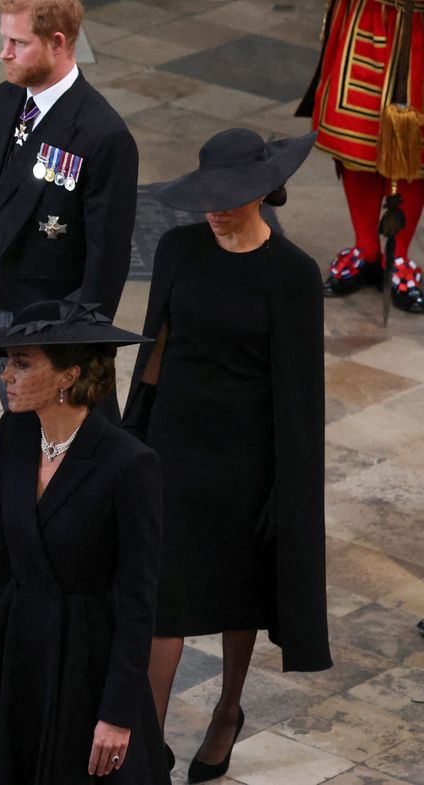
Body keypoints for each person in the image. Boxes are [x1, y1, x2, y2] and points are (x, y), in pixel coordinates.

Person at [124, 128, 333, 783]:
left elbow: (297, 394)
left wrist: (285, 488)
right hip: (173, 448)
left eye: (229, 197)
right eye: (206, 196)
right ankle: (145, 749)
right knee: (164, 601)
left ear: (263, 193)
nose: (213, 209)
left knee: (238, 596)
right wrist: (133, 447)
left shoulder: (293, 276)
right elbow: (154, 353)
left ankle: (228, 710)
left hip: (244, 461)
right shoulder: (178, 247)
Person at [0, 296, 169, 785]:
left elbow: (139, 602)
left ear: (69, 375)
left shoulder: (129, 465)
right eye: (7, 362)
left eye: (22, 363)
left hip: (86, 659)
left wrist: (117, 713)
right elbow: (5, 560)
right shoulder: (15, 434)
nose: (5, 375)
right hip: (19, 646)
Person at [0, 0, 138, 411]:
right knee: (15, 430)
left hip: (52, 328)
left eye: (18, 42)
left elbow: (107, 260)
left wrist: (79, 348)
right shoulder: (5, 101)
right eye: (4, 39)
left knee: (63, 443)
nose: (4, 52)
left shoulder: (103, 135)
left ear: (57, 43)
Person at [299, 0, 424, 313]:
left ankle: (399, 256)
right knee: (355, 137)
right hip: (366, 19)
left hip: (418, 28)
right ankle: (365, 247)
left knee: (415, 146)